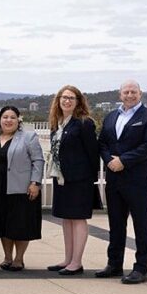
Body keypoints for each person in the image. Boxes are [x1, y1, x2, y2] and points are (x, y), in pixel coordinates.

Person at [96, 80, 147, 284]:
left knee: (142, 225)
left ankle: (141, 269)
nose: (130, 95)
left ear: (140, 94)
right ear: (120, 94)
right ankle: (114, 264)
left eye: (134, 92)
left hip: (138, 180)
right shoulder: (111, 116)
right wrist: (109, 161)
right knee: (115, 224)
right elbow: (103, 143)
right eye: (126, 92)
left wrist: (124, 161)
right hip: (114, 179)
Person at [46, 85, 101, 276]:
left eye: (71, 98)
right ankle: (68, 259)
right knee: (66, 219)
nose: (67, 101)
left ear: (78, 102)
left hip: (79, 180)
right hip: (61, 178)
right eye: (64, 97)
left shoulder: (84, 123)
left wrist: (88, 179)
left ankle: (77, 262)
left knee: (77, 219)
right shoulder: (58, 123)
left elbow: (93, 154)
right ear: (58, 100)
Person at [0, 106, 44, 271]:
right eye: (5, 117)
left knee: (20, 225)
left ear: (19, 120)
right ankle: (7, 257)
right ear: (0, 120)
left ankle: (19, 258)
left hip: (21, 188)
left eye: (12, 117)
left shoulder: (28, 137)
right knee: (3, 224)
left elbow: (38, 160)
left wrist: (35, 183)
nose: (8, 120)